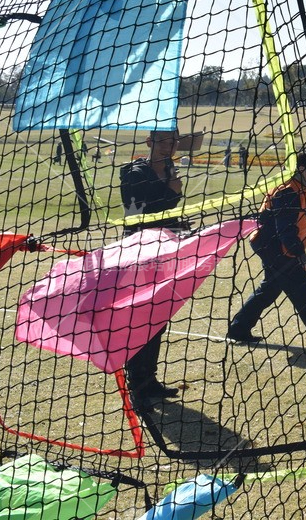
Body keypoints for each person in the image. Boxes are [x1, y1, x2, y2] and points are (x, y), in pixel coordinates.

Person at [227, 149, 306, 348]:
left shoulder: (305, 186)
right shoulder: (288, 192)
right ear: (302, 169)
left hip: (277, 244)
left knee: (269, 289)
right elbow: (286, 231)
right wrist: (301, 256)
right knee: (302, 290)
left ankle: (238, 329)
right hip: (274, 246)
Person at [119, 130, 186, 410]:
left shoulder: (170, 167)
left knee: (158, 319)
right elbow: (145, 209)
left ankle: (149, 381)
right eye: (163, 141)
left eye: (173, 142)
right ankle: (137, 387)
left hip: (164, 251)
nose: (169, 147)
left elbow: (168, 208)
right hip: (140, 253)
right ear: (149, 143)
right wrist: (172, 189)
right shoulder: (135, 172)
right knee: (140, 320)